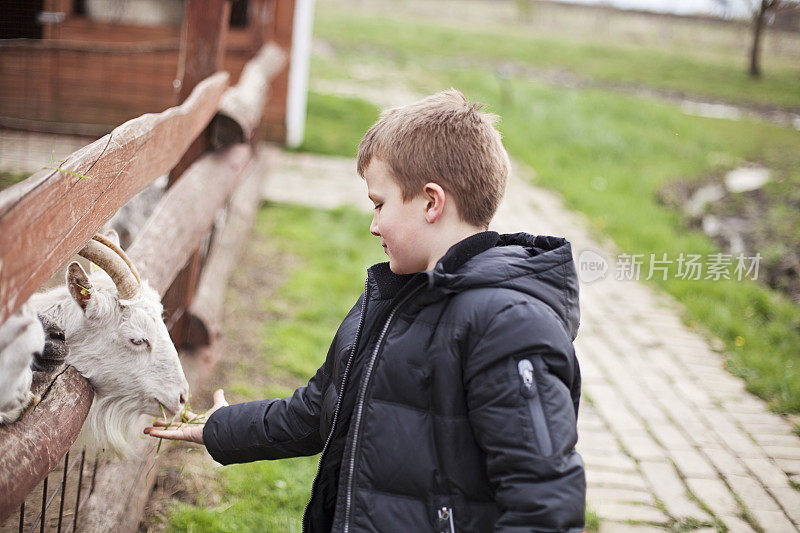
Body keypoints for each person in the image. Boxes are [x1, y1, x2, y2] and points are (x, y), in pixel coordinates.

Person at [144, 89, 586, 532]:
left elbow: (543, 500)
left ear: (432, 202)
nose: (373, 224)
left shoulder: (508, 326)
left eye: (380, 204)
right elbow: (316, 412)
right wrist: (222, 429)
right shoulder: (393, 301)